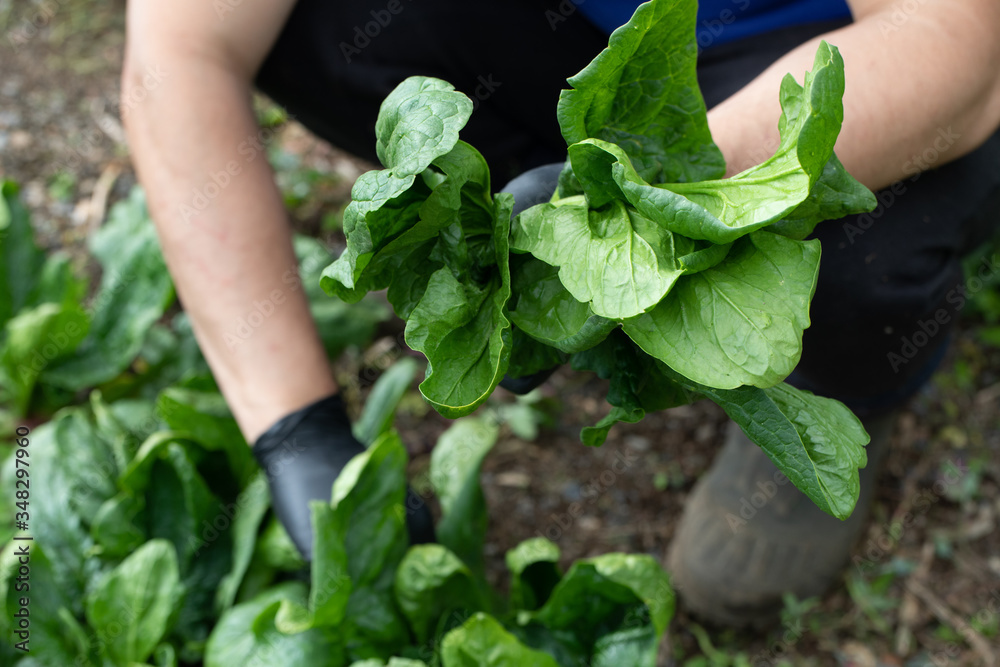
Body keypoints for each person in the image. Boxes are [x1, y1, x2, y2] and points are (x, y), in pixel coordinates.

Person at [121, 0, 1000, 627]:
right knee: (321, 25)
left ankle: (843, 381)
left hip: (823, 45)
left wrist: (651, 191)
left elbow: (959, 43)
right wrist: (293, 427)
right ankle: (572, 215)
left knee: (859, 253)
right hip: (566, 28)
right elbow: (182, 50)